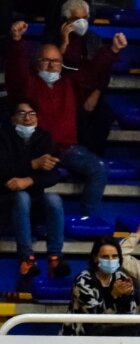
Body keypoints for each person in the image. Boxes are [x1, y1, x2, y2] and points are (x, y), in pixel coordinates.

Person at [6, 20, 114, 219]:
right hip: (35, 149)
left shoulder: (69, 83)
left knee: (99, 169)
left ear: (61, 63)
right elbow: (16, 69)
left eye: (55, 61)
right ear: (36, 62)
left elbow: (92, 72)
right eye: (45, 60)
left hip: (67, 149)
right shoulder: (28, 84)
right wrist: (17, 41)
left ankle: (87, 219)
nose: (51, 65)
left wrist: (112, 51)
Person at [0, 99, 67, 287]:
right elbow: (2, 170)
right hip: (6, 201)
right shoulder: (3, 137)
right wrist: (33, 165)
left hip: (34, 199)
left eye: (32, 114)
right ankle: (27, 258)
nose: (27, 118)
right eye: (22, 114)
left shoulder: (44, 138)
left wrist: (28, 180)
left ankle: (55, 258)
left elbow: (53, 175)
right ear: (13, 119)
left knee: (54, 199)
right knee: (21, 197)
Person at [48, 0, 116, 154]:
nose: (82, 23)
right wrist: (63, 45)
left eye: (85, 18)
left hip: (89, 91)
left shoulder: (93, 39)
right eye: (76, 19)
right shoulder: (54, 38)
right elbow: (52, 69)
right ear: (67, 20)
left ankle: (94, 156)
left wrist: (96, 94)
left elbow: (103, 71)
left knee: (104, 114)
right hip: (65, 91)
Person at [61, 237, 138, 336]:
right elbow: (96, 318)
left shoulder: (122, 278)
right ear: (95, 257)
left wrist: (127, 296)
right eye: (105, 257)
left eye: (114, 256)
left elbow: (131, 315)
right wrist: (113, 296)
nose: (111, 260)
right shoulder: (84, 280)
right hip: (80, 336)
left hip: (115, 335)